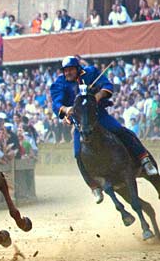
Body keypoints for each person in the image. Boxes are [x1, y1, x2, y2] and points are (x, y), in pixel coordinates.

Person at [50, 56, 158, 203]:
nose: (68, 73)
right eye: (65, 70)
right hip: (81, 121)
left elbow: (107, 85)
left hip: (99, 114)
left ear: (77, 68)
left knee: (120, 130)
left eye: (70, 69)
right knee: (77, 153)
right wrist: (65, 108)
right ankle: (94, 186)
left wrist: (97, 96)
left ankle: (144, 158)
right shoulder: (59, 84)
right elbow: (57, 103)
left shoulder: (91, 72)